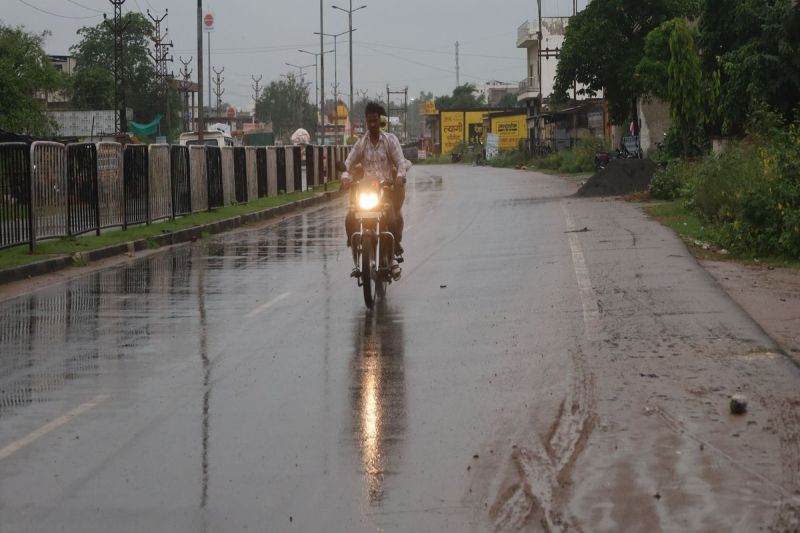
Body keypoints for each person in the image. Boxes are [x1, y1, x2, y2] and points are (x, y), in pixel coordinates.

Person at [341, 102, 409, 261]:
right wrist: (345, 178)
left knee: (394, 219)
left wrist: (399, 176)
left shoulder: (390, 140)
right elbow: (348, 164)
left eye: (375, 121)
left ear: (380, 121)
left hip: (386, 189)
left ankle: (395, 244)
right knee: (350, 217)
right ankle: (354, 244)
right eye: (369, 121)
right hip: (366, 190)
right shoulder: (361, 143)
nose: (372, 124)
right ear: (366, 121)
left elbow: (400, 163)